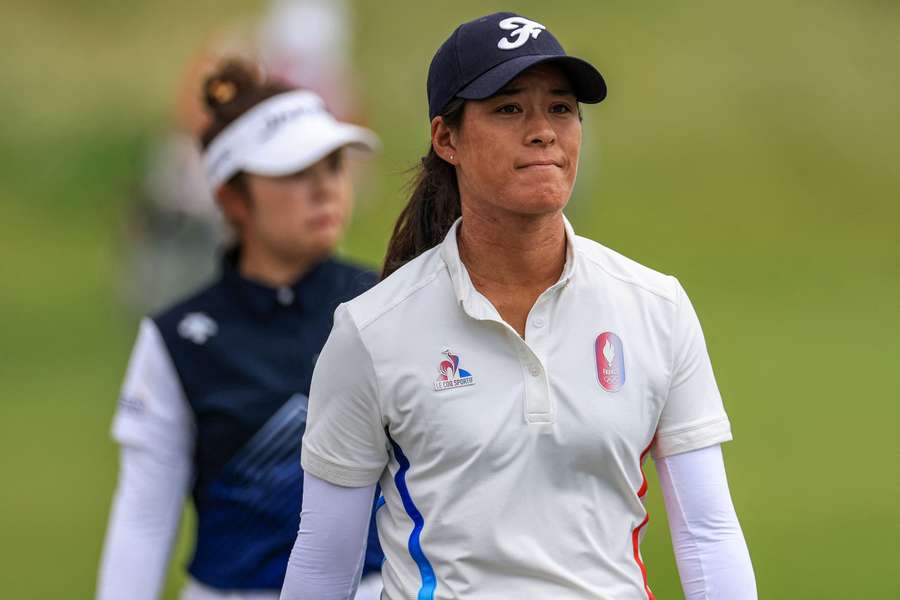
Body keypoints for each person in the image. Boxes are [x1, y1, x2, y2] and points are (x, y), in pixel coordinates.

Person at [279, 12, 758, 600]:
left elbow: (708, 534)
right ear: (446, 139)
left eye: (560, 108)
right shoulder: (371, 331)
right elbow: (326, 563)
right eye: (509, 108)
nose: (543, 131)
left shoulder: (655, 307)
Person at [98, 60, 385, 600]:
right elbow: (143, 520)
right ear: (233, 199)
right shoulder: (178, 340)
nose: (324, 189)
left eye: (332, 166)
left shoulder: (389, 303)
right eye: (296, 173)